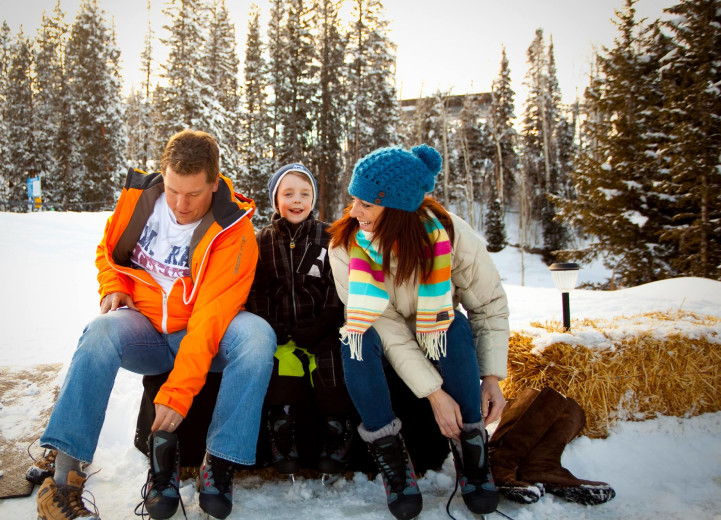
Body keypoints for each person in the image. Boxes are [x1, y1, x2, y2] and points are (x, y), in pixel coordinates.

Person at [33, 129, 275, 520]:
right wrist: (113, 285)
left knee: (257, 338)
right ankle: (63, 480)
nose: (180, 204)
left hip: (201, 332)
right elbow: (108, 248)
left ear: (214, 183)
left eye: (194, 194)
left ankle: (219, 463)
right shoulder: (140, 200)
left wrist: (178, 395)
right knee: (99, 332)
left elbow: (211, 318)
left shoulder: (234, 230)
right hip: (144, 329)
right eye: (173, 189)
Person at [327, 144, 510, 520]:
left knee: (455, 323)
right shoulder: (346, 247)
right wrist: (434, 394)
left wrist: (491, 377)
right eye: (355, 200)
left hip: (436, 329)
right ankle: (393, 461)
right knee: (355, 336)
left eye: (367, 204)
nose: (354, 211)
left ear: (397, 210)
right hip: (389, 338)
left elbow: (488, 304)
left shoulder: (449, 234)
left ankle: (472, 451)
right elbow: (387, 327)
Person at [245, 163, 355, 478]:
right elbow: (258, 288)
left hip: (321, 328)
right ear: (275, 199)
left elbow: (338, 284)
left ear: (313, 199)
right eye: (288, 193)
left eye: (304, 194)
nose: (297, 200)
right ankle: (281, 431)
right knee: (281, 370)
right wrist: (271, 326)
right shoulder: (262, 240)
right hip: (280, 330)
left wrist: (325, 323)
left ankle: (338, 430)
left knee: (331, 364)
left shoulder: (329, 236)